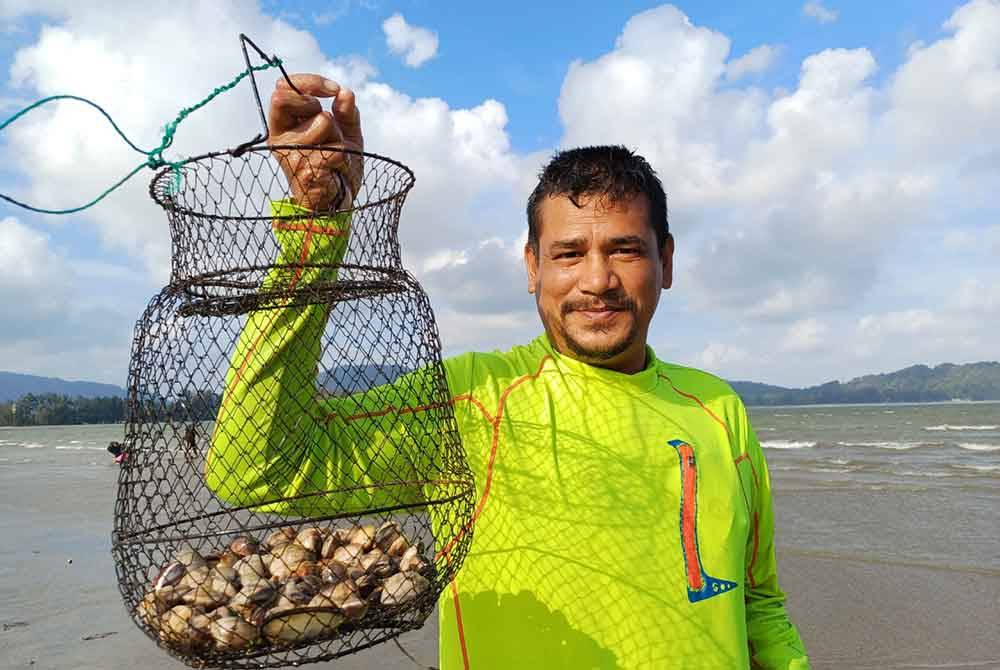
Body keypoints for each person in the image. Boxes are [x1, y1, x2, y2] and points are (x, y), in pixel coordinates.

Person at [206, 74, 810, 669]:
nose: (597, 281)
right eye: (569, 254)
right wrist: (319, 222)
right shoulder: (471, 399)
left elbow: (758, 603)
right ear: (532, 267)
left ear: (665, 261)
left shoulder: (718, 409)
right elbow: (256, 467)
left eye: (624, 249)